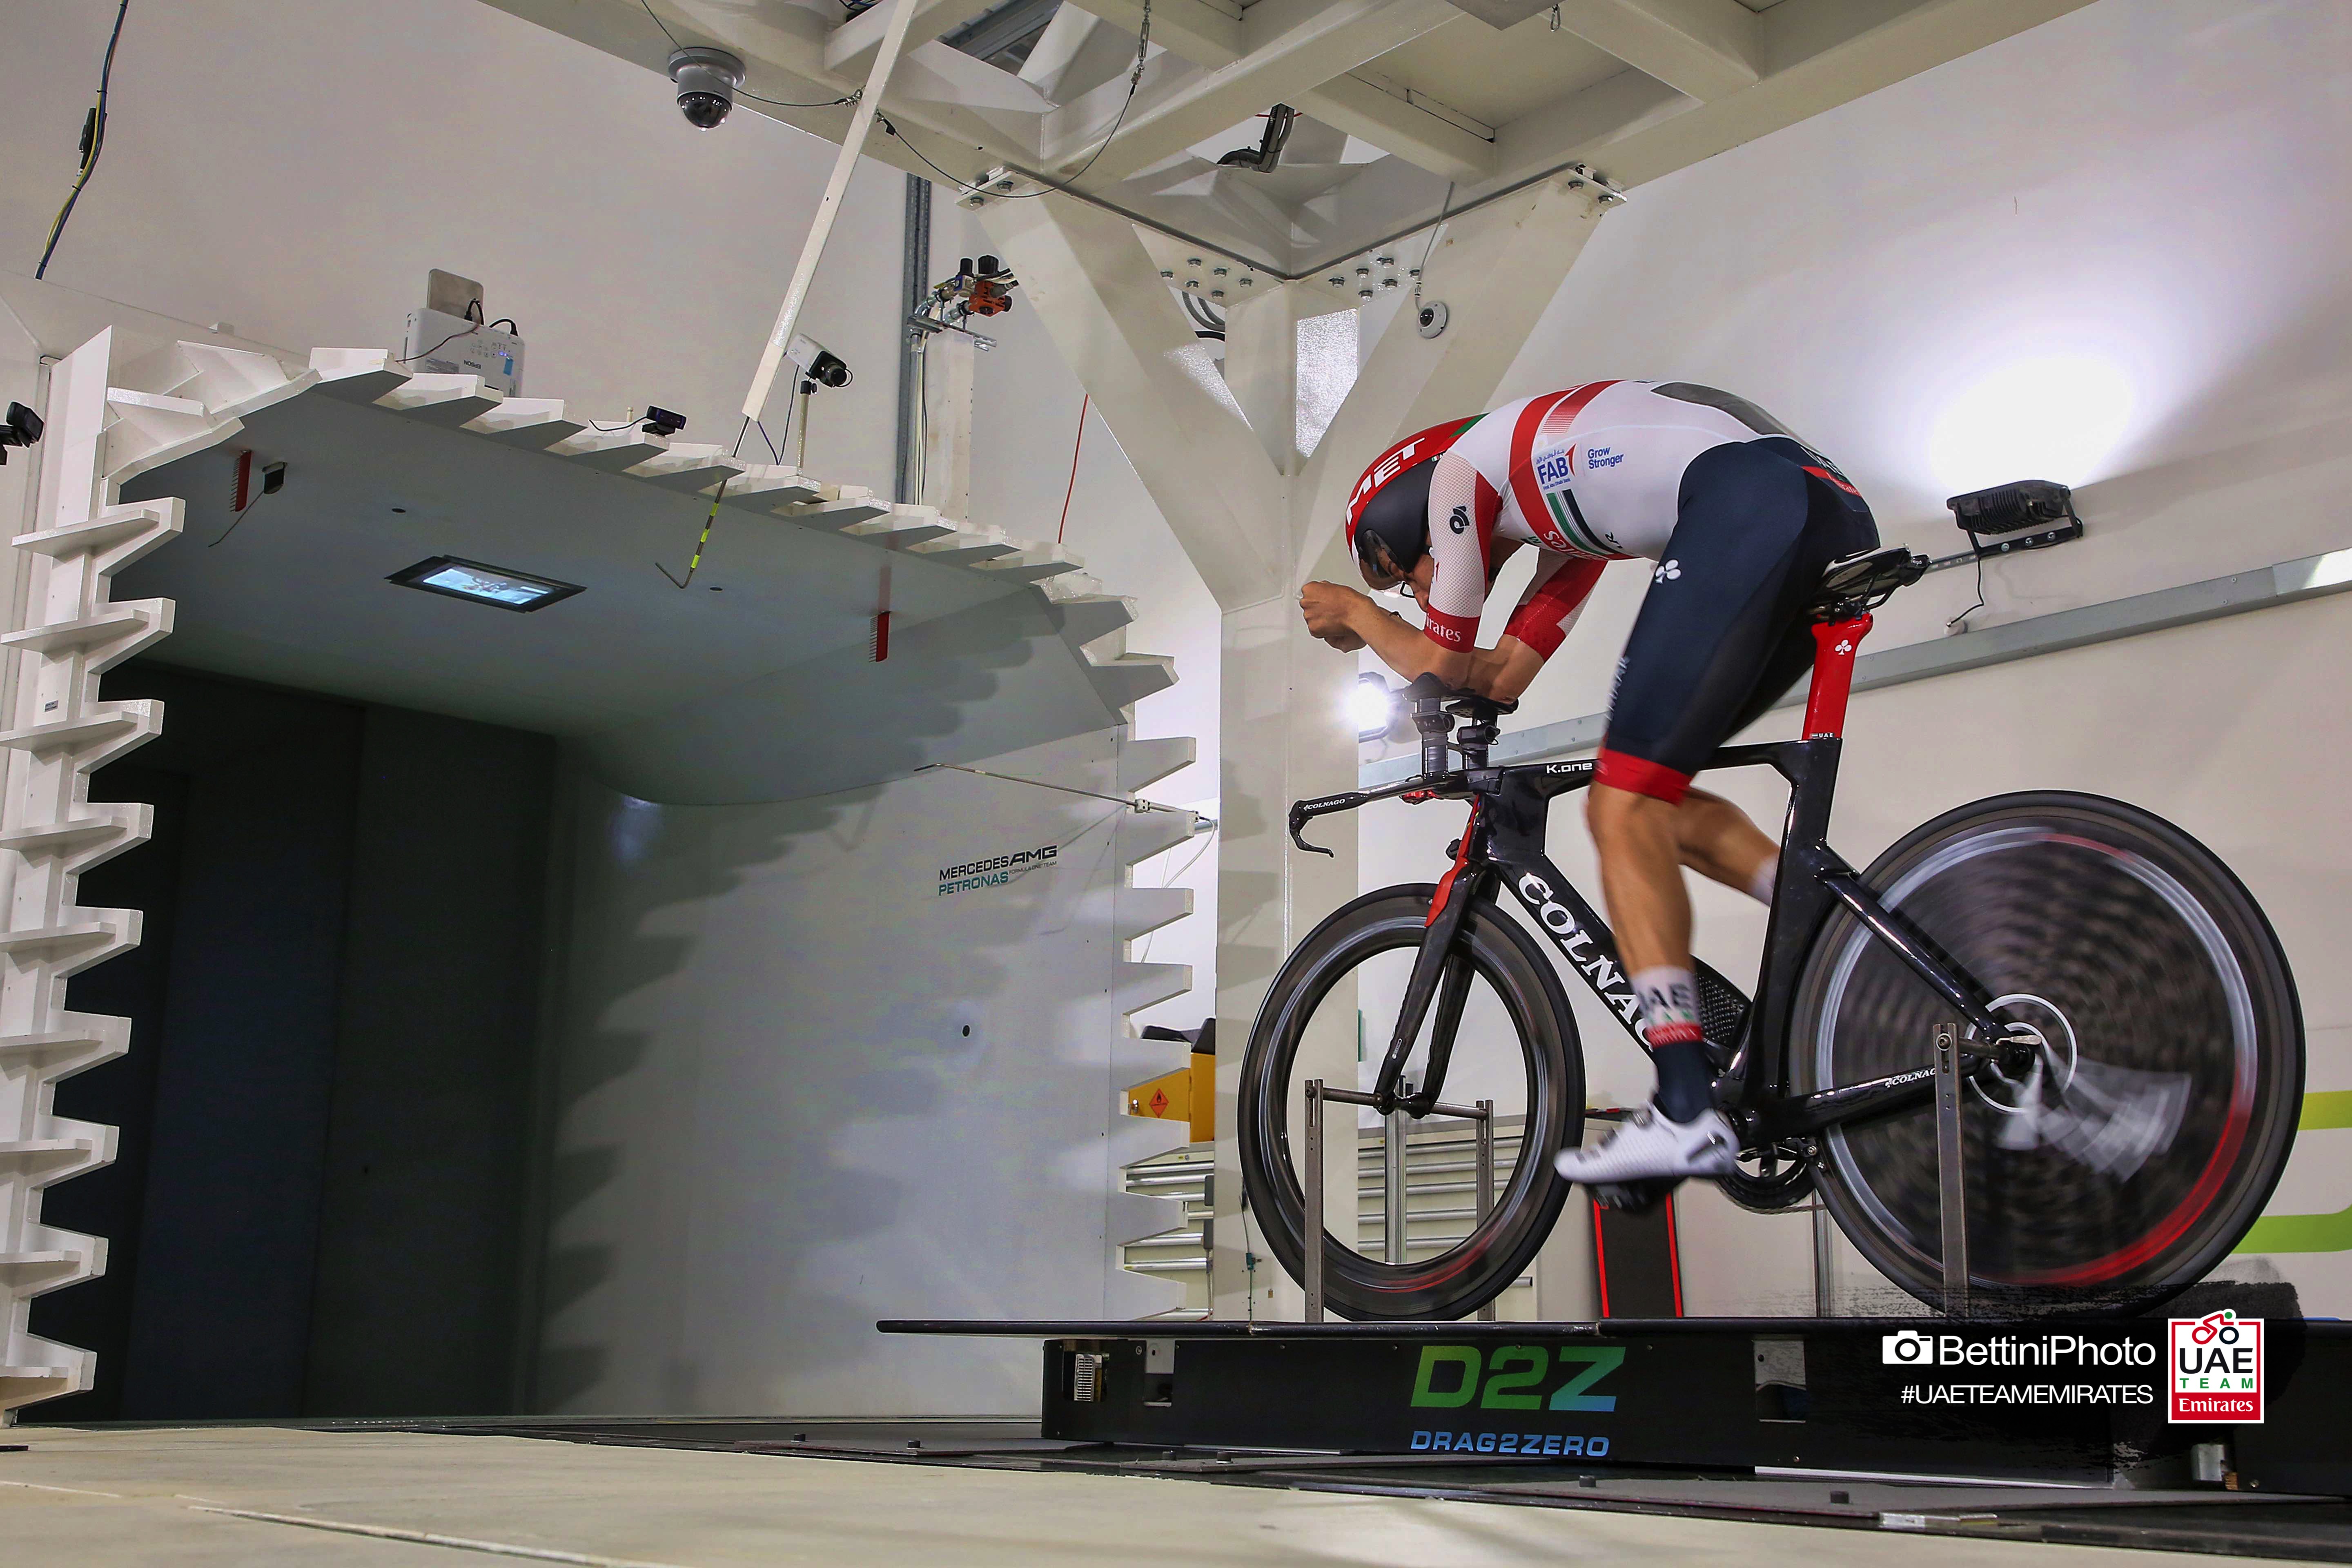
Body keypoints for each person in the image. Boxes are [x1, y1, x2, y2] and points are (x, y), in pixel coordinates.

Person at [1298, 380, 1879, 1187]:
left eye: (1408, 575)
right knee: (1650, 799)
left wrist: (1360, 616)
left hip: (1749, 500)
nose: (1421, 595)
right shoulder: (1564, 528)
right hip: (1813, 505)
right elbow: (1501, 676)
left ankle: (1685, 1110)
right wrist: (1412, 670)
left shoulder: (1462, 473)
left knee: (1620, 808)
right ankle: (1859, 928)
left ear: (1411, 515)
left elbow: (1443, 661)